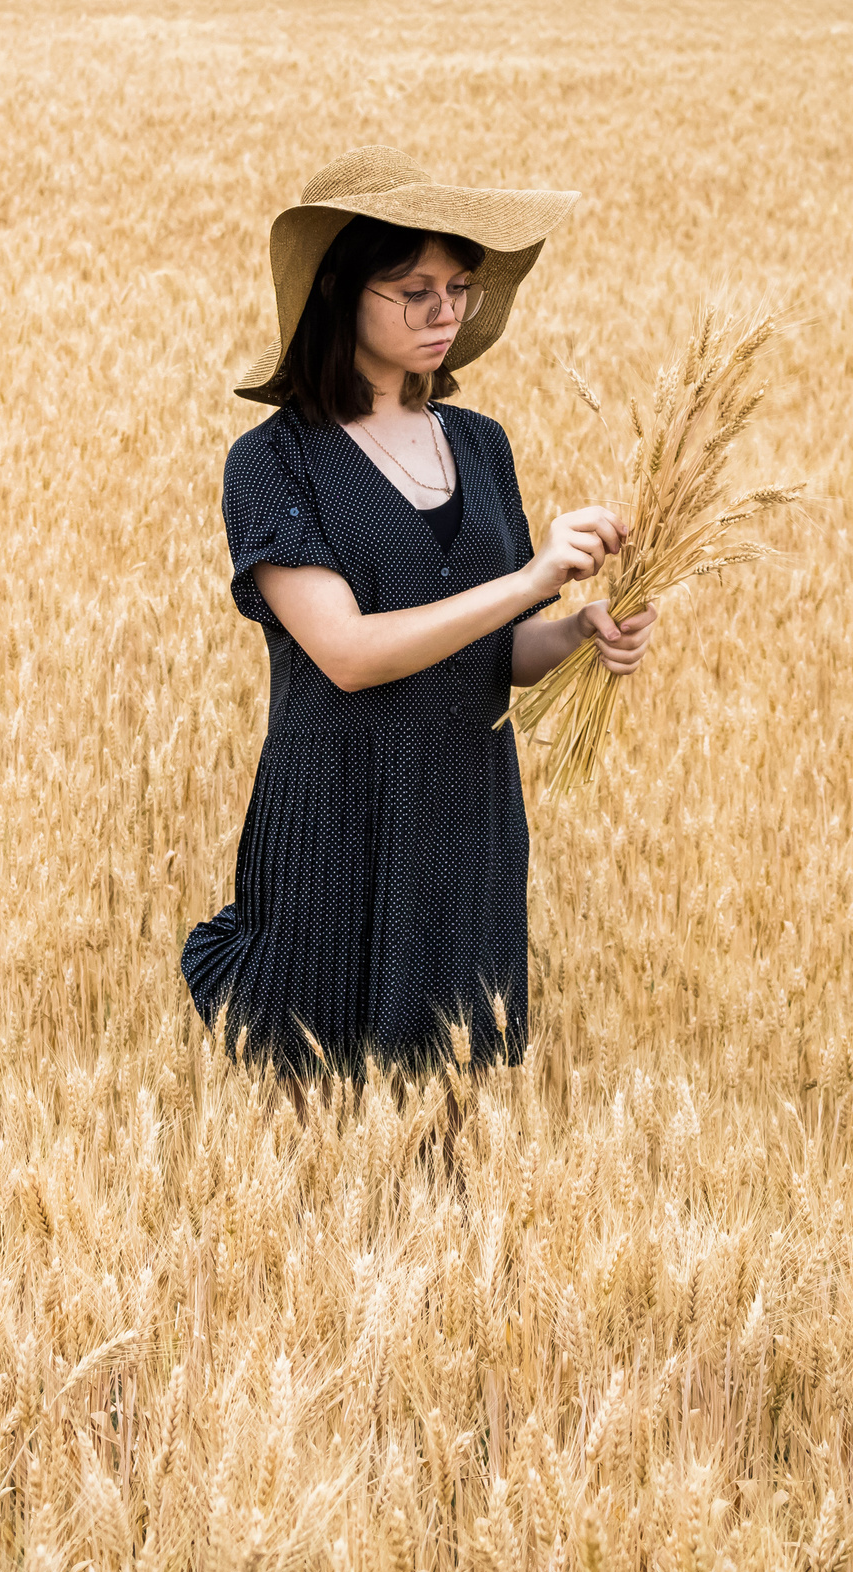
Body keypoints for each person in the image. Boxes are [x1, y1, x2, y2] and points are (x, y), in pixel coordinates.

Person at [182, 146, 655, 1130]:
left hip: (465, 818)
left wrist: (573, 630)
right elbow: (348, 654)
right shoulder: (272, 465)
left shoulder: (479, 445)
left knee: (446, 1121)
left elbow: (494, 654)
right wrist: (530, 578)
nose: (447, 314)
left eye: (458, 290)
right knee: (310, 1114)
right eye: (414, 293)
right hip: (337, 818)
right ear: (339, 295)